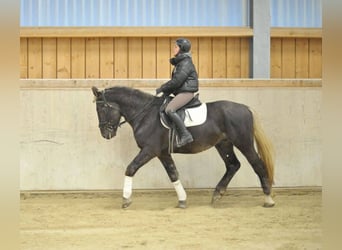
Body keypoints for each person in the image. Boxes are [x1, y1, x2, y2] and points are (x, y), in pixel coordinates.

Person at [156, 38, 199, 147]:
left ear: (182, 49)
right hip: (181, 92)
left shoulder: (185, 63)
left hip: (186, 93)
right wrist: (165, 92)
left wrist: (163, 88)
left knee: (170, 109)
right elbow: (177, 83)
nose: (173, 48)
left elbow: (177, 81)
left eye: (176, 46)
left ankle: (185, 135)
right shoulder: (180, 63)